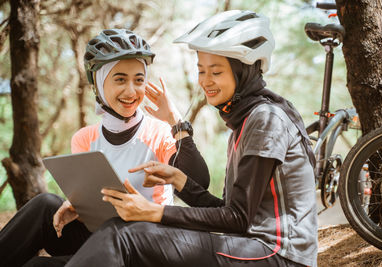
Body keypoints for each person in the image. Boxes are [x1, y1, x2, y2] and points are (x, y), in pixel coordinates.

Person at [53, 10, 318, 267]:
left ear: (243, 70)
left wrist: (153, 212)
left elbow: (237, 218)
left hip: (279, 254)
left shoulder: (265, 120)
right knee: (115, 232)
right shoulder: (246, 122)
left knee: (123, 235)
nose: (205, 81)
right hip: (253, 245)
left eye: (216, 72)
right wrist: (179, 180)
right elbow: (228, 211)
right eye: (201, 70)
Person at [0, 29, 209, 267]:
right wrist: (76, 205)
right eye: (120, 79)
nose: (131, 91)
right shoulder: (84, 138)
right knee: (46, 205)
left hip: (144, 246)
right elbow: (90, 200)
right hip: (99, 239)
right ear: (98, 83)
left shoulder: (159, 132)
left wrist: (175, 120)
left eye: (139, 80)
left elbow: (199, 183)